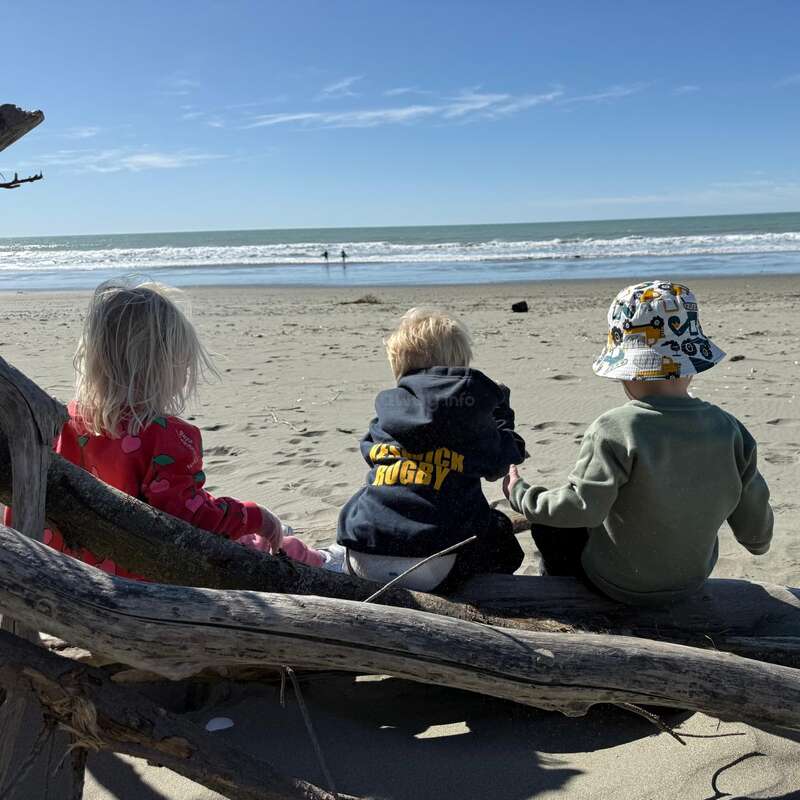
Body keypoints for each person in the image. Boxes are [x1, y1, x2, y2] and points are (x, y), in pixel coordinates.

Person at [2, 279, 330, 578]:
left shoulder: (66, 422)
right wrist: (258, 516)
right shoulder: (166, 436)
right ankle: (322, 563)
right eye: (183, 362)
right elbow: (190, 518)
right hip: (145, 580)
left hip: (75, 572)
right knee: (264, 546)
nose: (187, 372)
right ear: (162, 367)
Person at [504, 280, 774, 606]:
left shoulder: (616, 428)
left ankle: (563, 599)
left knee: (551, 527)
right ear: (690, 364)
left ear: (627, 370)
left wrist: (519, 493)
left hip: (618, 582)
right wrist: (758, 544)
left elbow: (579, 508)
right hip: (690, 580)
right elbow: (755, 525)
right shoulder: (730, 430)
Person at [336, 308, 527, 591]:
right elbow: (504, 459)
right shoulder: (468, 415)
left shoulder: (388, 411)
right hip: (431, 564)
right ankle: (484, 598)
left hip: (360, 553)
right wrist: (500, 416)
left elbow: (369, 448)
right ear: (460, 365)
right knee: (500, 533)